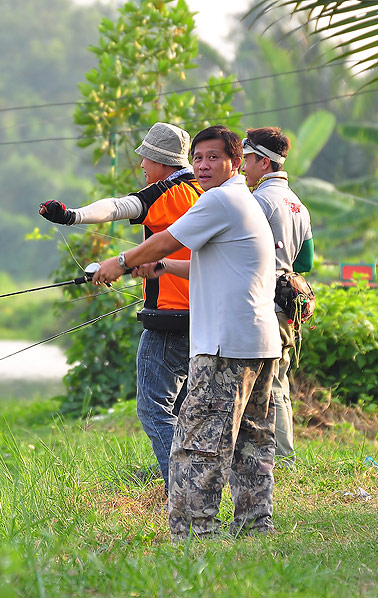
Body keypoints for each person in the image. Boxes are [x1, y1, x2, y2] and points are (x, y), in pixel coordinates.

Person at [92, 125, 281, 538]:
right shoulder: (241, 201)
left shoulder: (218, 200)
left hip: (226, 345)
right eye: (197, 158)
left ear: (235, 161)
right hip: (261, 342)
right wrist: (161, 268)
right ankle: (255, 527)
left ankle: (195, 534)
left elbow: (163, 239)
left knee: (198, 444)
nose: (202, 165)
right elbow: (207, 264)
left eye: (213, 157)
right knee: (252, 444)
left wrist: (120, 262)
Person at [38, 122, 202, 493]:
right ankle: (197, 492)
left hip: (170, 319)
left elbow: (117, 207)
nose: (142, 162)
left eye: (146, 156)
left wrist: (71, 216)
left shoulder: (170, 191)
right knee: (186, 413)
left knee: (155, 411)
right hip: (204, 317)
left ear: (162, 161)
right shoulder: (202, 191)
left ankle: (184, 498)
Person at [241, 127, 314, 468]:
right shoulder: (299, 205)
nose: (242, 167)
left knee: (266, 383)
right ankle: (282, 456)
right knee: (279, 377)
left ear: (264, 162)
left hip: (264, 301)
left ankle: (281, 457)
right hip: (288, 301)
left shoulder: (260, 201)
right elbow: (306, 262)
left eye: (248, 160)